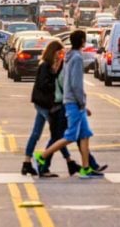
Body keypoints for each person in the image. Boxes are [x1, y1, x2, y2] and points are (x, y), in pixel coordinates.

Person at [34, 29, 103, 179]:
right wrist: (81, 102)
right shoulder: (77, 58)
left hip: (72, 101)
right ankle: (43, 155)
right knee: (71, 136)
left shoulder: (69, 56)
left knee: (84, 135)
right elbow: (76, 83)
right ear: (82, 41)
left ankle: (86, 168)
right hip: (74, 102)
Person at [23, 40, 75, 178]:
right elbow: (44, 84)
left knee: (37, 133)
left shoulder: (52, 65)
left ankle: (27, 162)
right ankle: (50, 165)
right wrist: (55, 72)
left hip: (43, 103)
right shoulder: (46, 66)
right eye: (59, 52)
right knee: (57, 136)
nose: (61, 55)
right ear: (53, 52)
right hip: (45, 104)